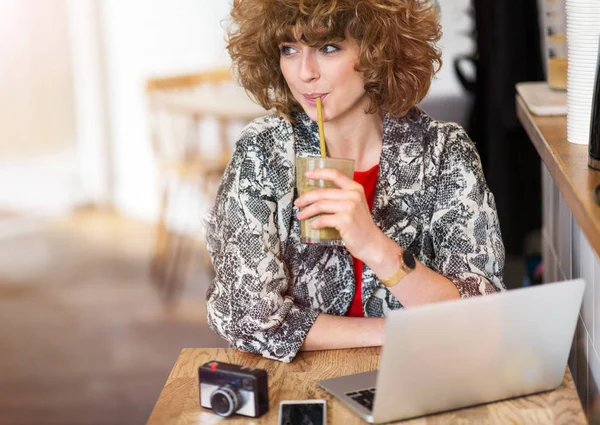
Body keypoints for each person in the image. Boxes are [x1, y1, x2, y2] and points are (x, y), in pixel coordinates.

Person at [205, 0, 505, 363]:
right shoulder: (264, 152)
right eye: (289, 49)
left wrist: (374, 245)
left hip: (423, 378)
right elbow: (246, 317)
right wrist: (398, 330)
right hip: (302, 387)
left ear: (379, 49)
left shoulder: (443, 153)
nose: (304, 73)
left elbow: (480, 315)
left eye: (328, 47)